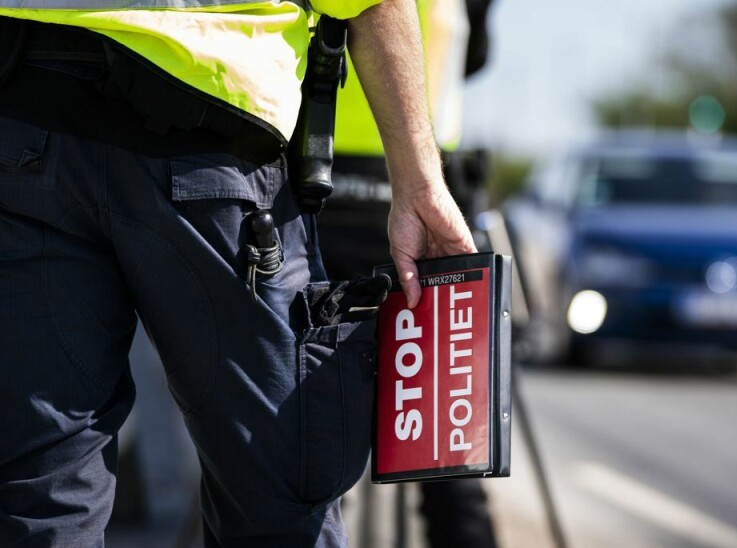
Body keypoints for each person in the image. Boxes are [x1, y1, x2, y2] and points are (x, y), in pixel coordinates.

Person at [0, 0, 475, 546]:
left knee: (36, 497)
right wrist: (420, 183)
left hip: (25, 122)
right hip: (209, 130)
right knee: (280, 496)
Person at [317, 1, 497, 547]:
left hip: (313, 180)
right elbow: (476, 56)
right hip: (424, 186)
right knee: (447, 445)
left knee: (310, 436)